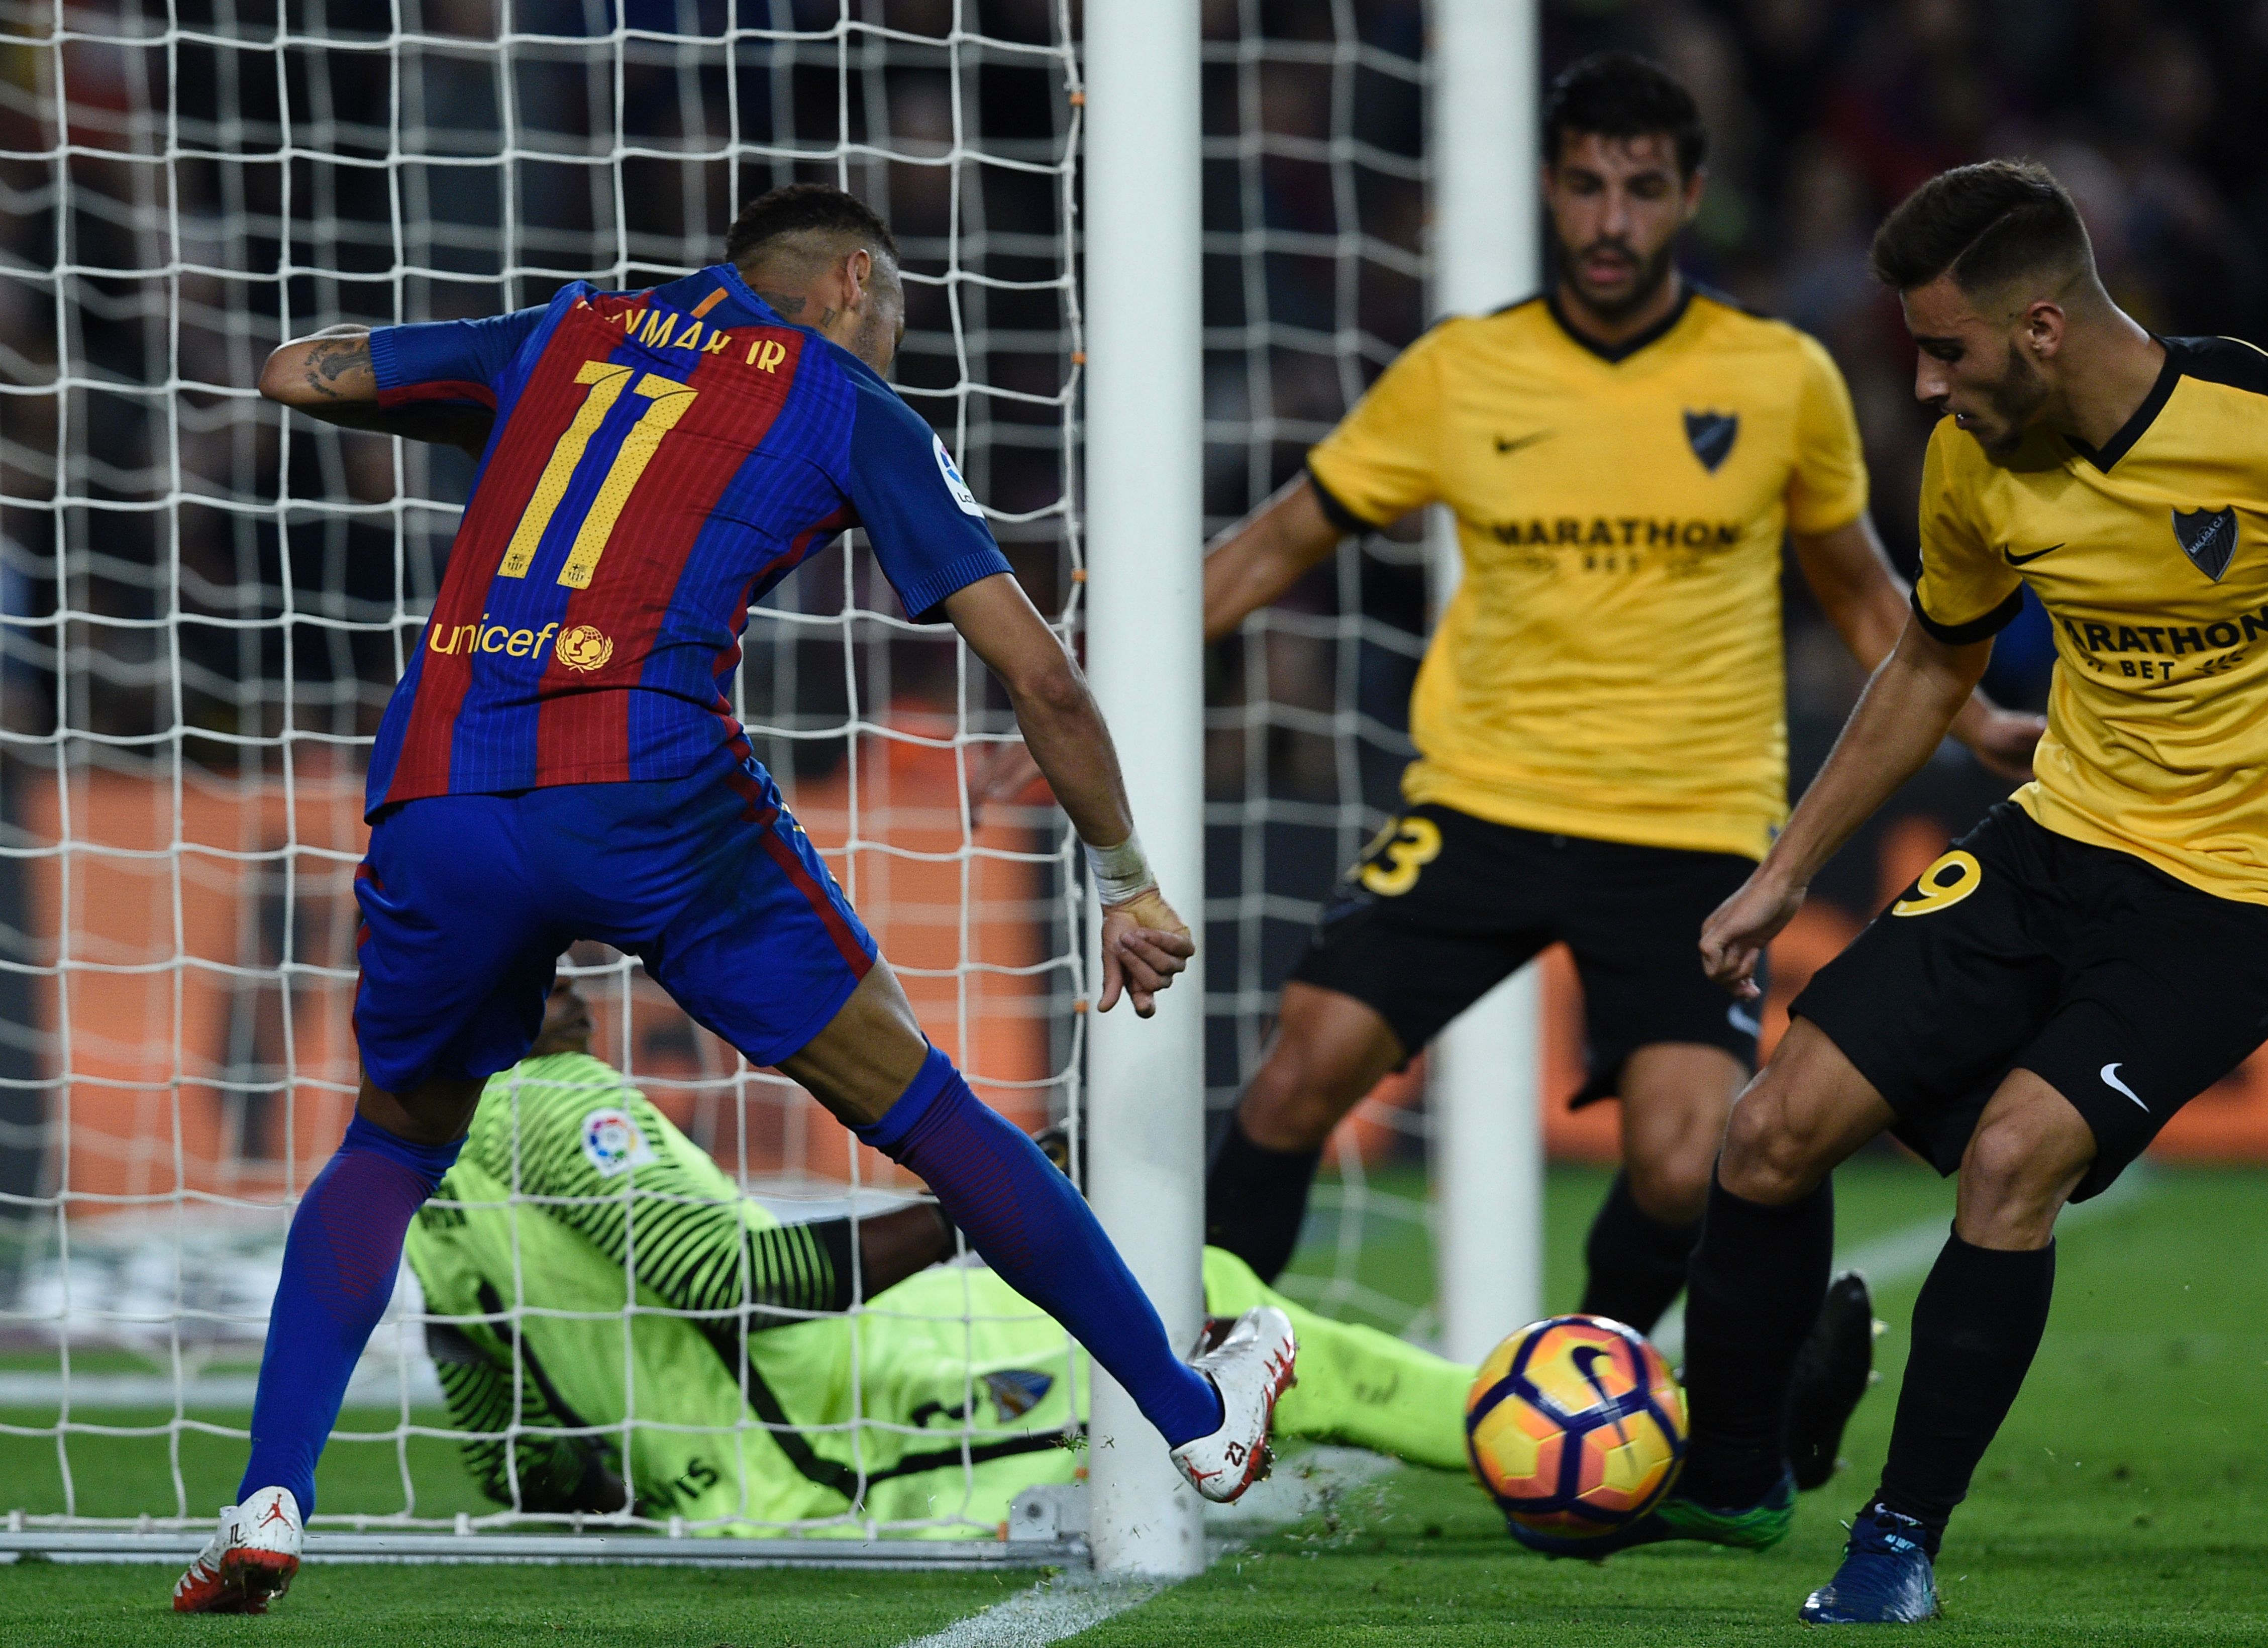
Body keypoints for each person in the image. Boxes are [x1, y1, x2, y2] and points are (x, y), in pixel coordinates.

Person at [173, 185, 1295, 1615]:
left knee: (390, 1148)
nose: (895, 344)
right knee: (927, 1108)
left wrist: (500, 413)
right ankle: (1195, 1419)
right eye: (898, 316)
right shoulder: (845, 403)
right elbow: (1044, 678)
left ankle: (270, 1497)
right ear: (851, 281)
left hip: (444, 782)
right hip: (647, 785)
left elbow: (297, 372)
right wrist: (1125, 879)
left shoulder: (568, 330)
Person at [1195, 52, 2037, 1480]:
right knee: (1296, 1077)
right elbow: (1281, 540)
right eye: (1586, 185)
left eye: (1642, 190)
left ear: (1690, 197)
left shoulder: (1776, 377)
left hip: (1688, 824)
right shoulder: (1460, 371)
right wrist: (1084, 691)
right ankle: (1183, 1380)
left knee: (1678, 1158)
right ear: (1549, 187)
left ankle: (1585, 1395)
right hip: (1481, 801)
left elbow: (1857, 589)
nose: (1610, 219)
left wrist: (1975, 723)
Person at [1646, 159, 2268, 1623]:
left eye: (1945, 350)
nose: (1925, 386)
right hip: (2054, 837)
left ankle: (1898, 1537)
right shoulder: (1973, 458)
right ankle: (1733, 1474)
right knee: (1770, 1131)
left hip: (2229, 898)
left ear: (2042, 327)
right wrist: (1784, 873)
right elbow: (1934, 659)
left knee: (2010, 1158)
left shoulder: (2248, 423)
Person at [400, 979, 1473, 1535]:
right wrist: (983, 1201)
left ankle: (1530, 1421)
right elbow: (733, 1282)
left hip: (790, 1432)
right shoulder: (552, 1097)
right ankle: (1559, 1437)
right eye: (528, 958)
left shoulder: (426, 1172)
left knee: (1195, 1288)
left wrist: (661, 1477)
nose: (567, 975)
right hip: (833, 1454)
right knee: (1219, 1322)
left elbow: (513, 1460)